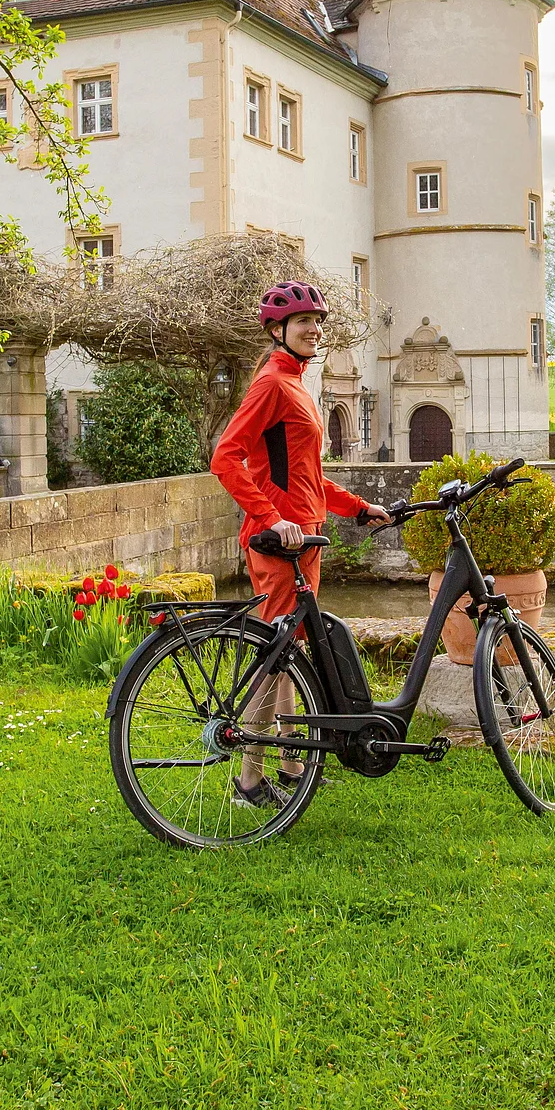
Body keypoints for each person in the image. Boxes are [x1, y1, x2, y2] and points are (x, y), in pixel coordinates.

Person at [210, 281, 392, 807]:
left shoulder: (297, 384)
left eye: (318, 321)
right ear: (277, 330)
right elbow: (226, 458)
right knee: (274, 656)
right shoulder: (271, 384)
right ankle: (248, 781)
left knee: (290, 653)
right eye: (302, 322)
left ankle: (292, 765)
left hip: (306, 541)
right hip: (279, 544)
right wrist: (271, 517)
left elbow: (309, 476)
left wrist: (357, 506)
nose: (314, 329)